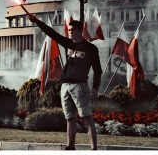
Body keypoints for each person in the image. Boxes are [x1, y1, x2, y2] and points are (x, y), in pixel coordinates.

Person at [26, 11, 101, 150]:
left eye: (73, 30)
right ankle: (70, 146)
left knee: (87, 117)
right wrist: (36, 21)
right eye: (69, 30)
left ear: (80, 30)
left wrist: (95, 88)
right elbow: (51, 33)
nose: (70, 32)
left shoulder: (91, 49)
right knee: (70, 117)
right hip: (65, 85)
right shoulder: (68, 43)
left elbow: (98, 70)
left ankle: (94, 148)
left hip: (80, 86)